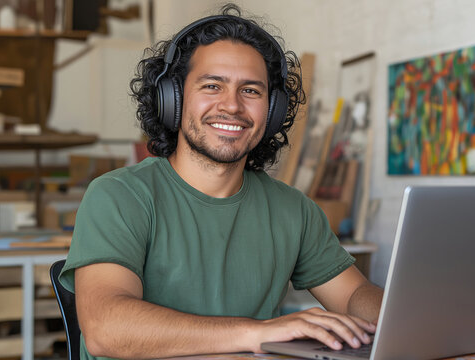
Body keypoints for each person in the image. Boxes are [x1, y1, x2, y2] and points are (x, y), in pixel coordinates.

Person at [59, 4, 383, 359]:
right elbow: (107, 329)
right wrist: (256, 333)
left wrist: (402, 314)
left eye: (251, 91)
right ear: (173, 99)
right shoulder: (119, 196)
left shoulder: (294, 210)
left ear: (272, 112)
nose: (231, 106)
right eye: (212, 85)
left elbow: (352, 296)